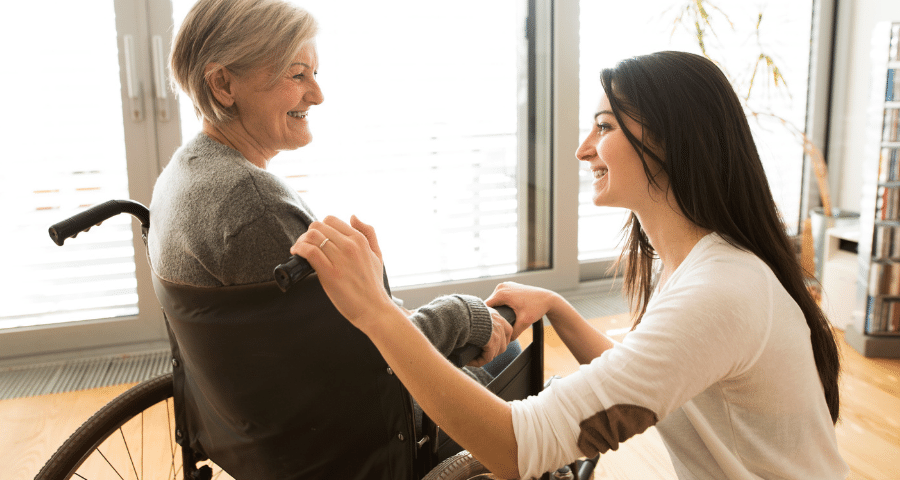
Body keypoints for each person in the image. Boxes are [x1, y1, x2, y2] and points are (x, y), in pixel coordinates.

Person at [291, 51, 850, 479]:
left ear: (671, 144)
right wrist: (558, 308)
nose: (584, 149)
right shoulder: (699, 265)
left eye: (604, 128)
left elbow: (517, 448)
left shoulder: (720, 291)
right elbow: (644, 379)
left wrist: (377, 312)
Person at [149, 0, 512, 378]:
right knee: (509, 348)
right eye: (297, 74)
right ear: (223, 85)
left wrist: (374, 291)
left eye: (315, 74)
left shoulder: (182, 171)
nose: (317, 95)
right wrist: (464, 314)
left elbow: (327, 324)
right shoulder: (251, 205)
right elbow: (365, 350)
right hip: (350, 417)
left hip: (252, 399)